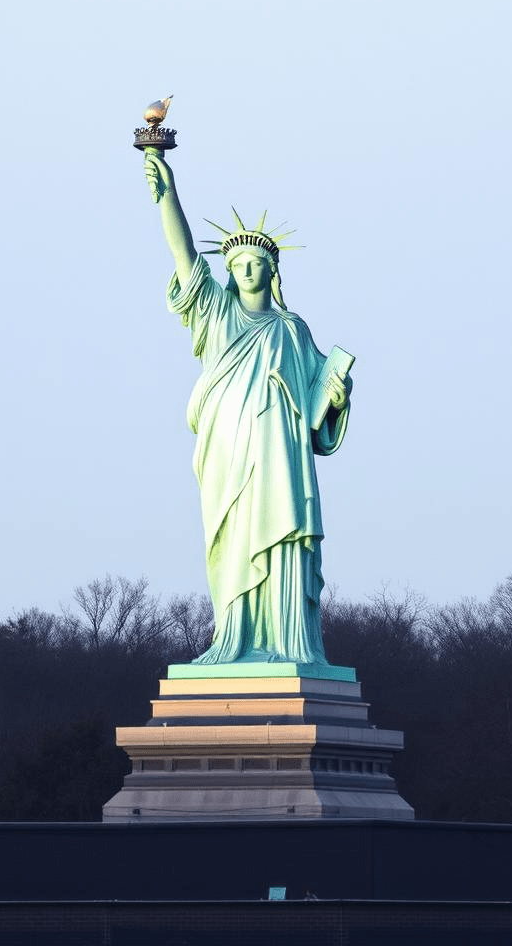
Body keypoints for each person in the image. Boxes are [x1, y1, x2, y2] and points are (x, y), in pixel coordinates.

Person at [144, 149, 351, 665]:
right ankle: (232, 638)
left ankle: (287, 642)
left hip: (281, 453)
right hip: (228, 448)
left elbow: (315, 411)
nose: (248, 270)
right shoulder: (216, 313)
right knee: (234, 537)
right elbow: (184, 254)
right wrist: (168, 192)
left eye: (258, 263)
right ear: (229, 274)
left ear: (272, 269)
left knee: (282, 534)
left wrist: (334, 401)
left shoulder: (293, 329)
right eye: (238, 265)